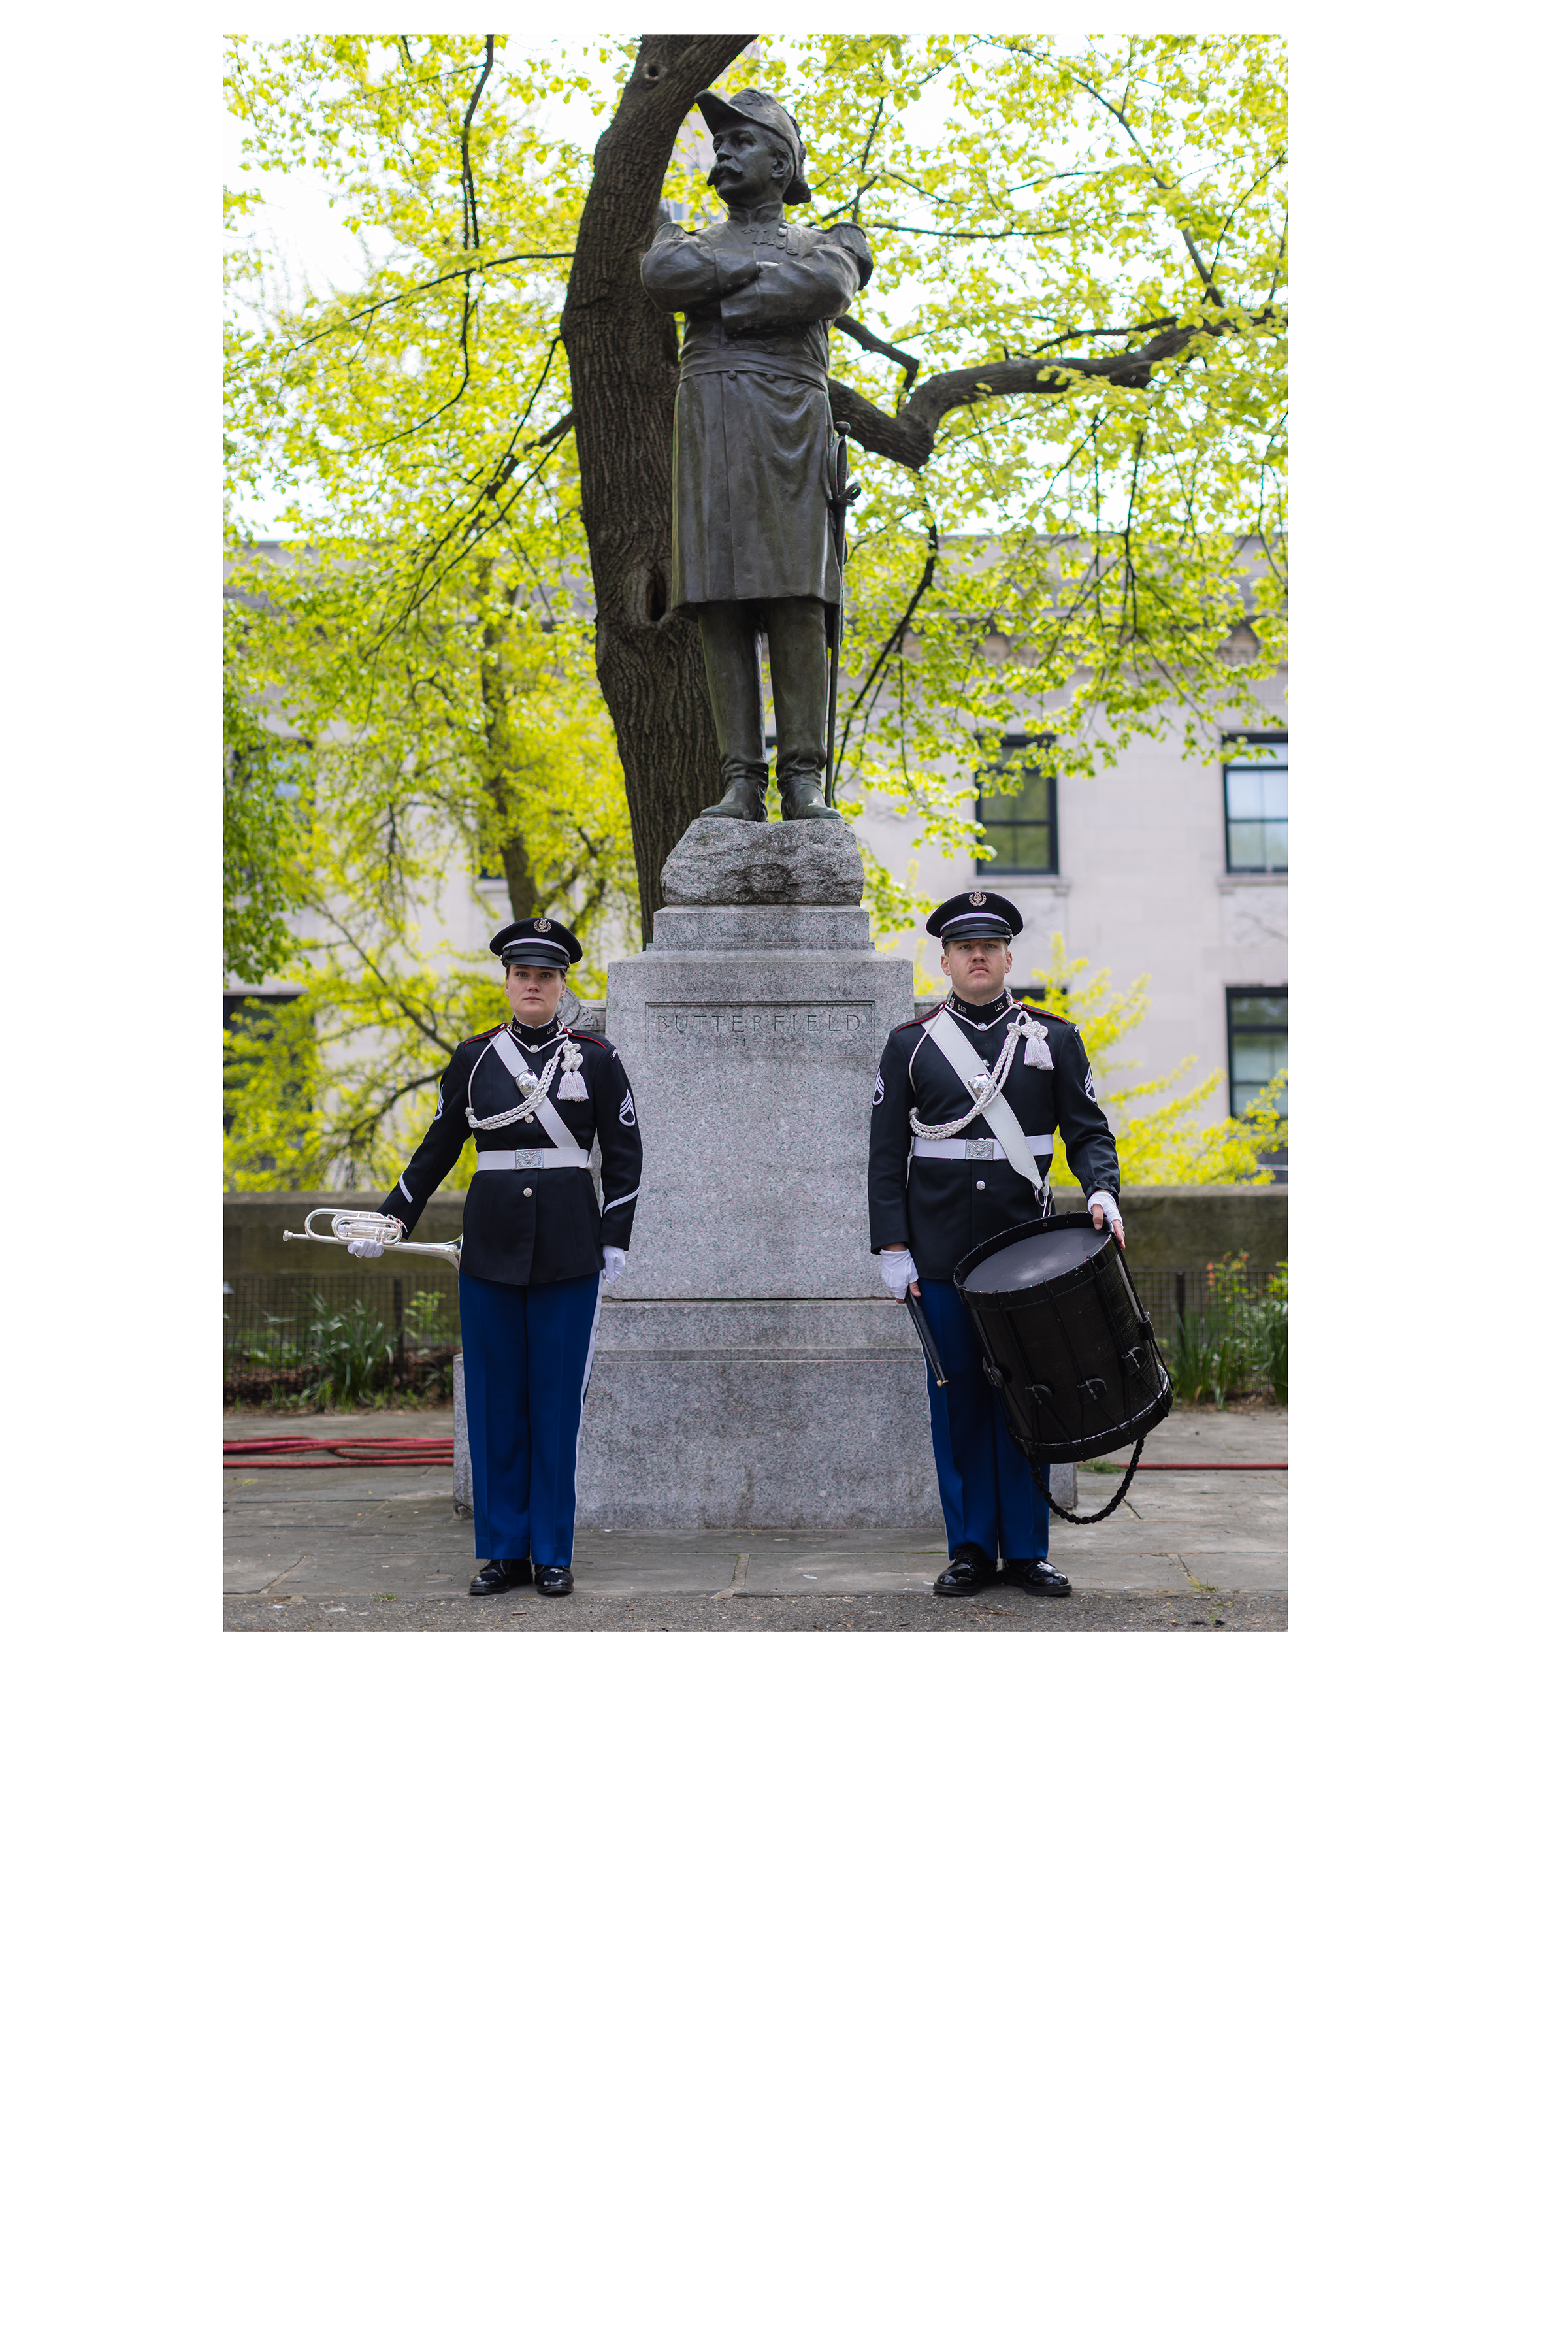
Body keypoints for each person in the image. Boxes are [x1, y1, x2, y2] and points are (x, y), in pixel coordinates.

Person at [346, 918, 642, 1599]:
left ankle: (552, 1550)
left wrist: (615, 1238)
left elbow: (626, 1160)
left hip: (570, 1251)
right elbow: (437, 1149)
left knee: (555, 1405)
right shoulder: (475, 1059)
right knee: (496, 1403)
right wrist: (390, 1221)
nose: (532, 985)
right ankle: (504, 1550)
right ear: (507, 982)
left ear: (562, 983)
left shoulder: (596, 1057)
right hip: (490, 1252)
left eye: (544, 975)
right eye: (521, 974)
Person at [867, 891, 1126, 1600]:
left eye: (989, 946)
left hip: (1025, 1258)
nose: (977, 957)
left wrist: (1102, 1189)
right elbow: (887, 1158)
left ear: (1009, 957)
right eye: (964, 947)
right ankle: (973, 1548)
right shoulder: (910, 1045)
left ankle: (1028, 1550)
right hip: (942, 1255)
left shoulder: (1054, 1039)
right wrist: (893, 1247)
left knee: (1031, 1400)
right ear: (945, 960)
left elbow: (1089, 1132)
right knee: (959, 1409)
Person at [640, 86, 873, 823]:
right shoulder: (690, 241)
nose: (724, 154)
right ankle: (741, 779)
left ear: (782, 162)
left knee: (797, 599)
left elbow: (830, 284)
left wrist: (728, 292)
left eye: (742, 143)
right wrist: (753, 282)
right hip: (710, 423)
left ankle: (804, 776)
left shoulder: (820, 241)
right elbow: (661, 277)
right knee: (719, 603)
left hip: (791, 427)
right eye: (722, 143)